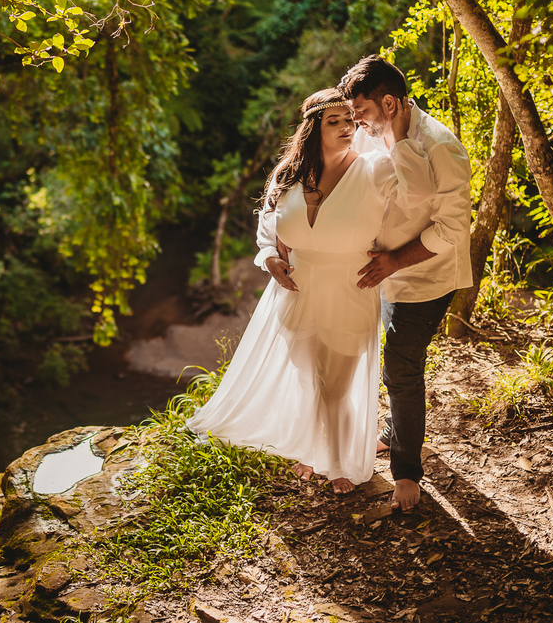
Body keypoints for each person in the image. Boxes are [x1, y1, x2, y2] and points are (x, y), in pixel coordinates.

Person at [186, 87, 433, 494]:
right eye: (333, 121)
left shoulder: (375, 168)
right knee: (310, 381)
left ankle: (338, 463)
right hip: (296, 292)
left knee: (335, 386)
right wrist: (269, 258)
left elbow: (421, 193)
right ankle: (313, 449)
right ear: (313, 128)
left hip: (350, 288)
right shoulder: (289, 175)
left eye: (350, 120)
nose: (345, 127)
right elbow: (269, 228)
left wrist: (401, 136)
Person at [341, 55, 473, 512]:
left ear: (390, 102)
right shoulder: (373, 129)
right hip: (383, 269)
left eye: (361, 112)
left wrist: (395, 259)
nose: (355, 122)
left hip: (425, 276)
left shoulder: (440, 147)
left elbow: (452, 230)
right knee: (395, 360)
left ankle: (406, 473)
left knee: (399, 368)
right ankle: (396, 430)